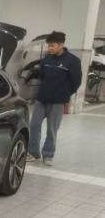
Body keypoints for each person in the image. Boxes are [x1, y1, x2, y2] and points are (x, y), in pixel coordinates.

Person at [27, 31, 82, 165]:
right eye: (49, 45)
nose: (49, 48)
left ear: (61, 45)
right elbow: (42, 76)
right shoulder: (47, 59)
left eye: (52, 45)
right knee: (34, 125)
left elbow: (76, 82)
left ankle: (48, 155)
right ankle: (33, 153)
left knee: (52, 130)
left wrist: (64, 94)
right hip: (42, 99)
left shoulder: (73, 61)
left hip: (58, 101)